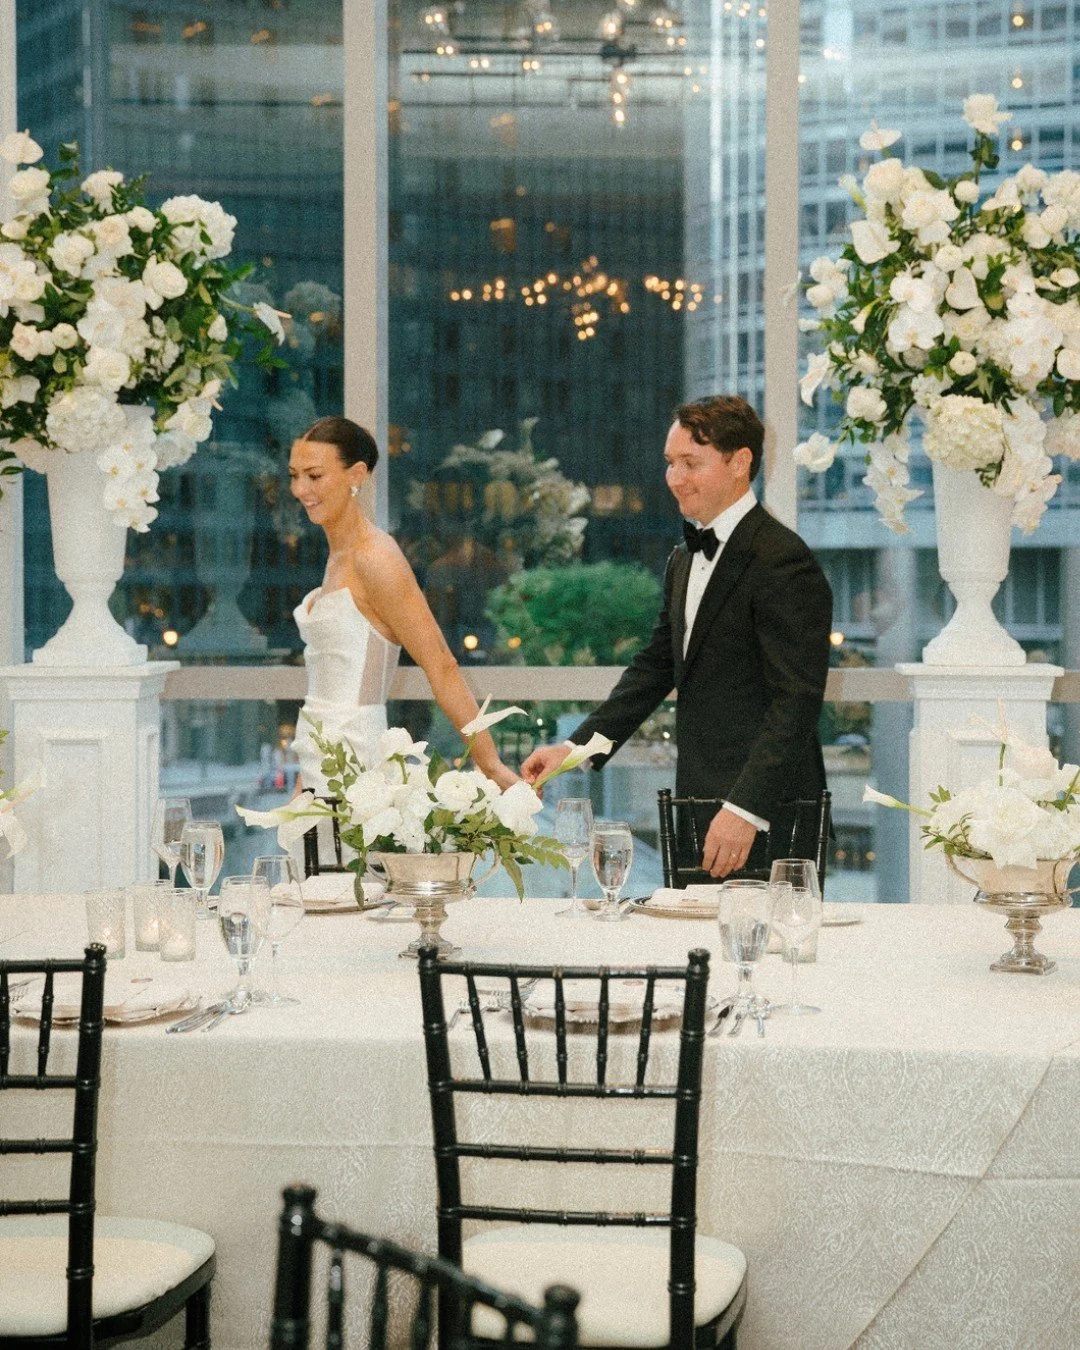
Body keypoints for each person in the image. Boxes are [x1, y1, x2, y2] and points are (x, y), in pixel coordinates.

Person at [521, 394, 832, 878]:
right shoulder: (683, 556)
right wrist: (577, 750)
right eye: (670, 463)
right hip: (696, 801)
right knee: (693, 949)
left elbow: (795, 702)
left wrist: (745, 810)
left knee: (766, 951)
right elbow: (656, 667)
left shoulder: (783, 560)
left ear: (740, 463)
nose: (674, 478)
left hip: (766, 815)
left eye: (691, 463)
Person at [288, 416, 517, 798]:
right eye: (294, 475)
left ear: (356, 474)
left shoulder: (376, 557)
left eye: (314, 476)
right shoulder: (336, 556)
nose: (300, 489)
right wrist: (299, 787)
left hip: (356, 758)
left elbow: (442, 665)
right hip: (315, 754)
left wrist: (489, 763)